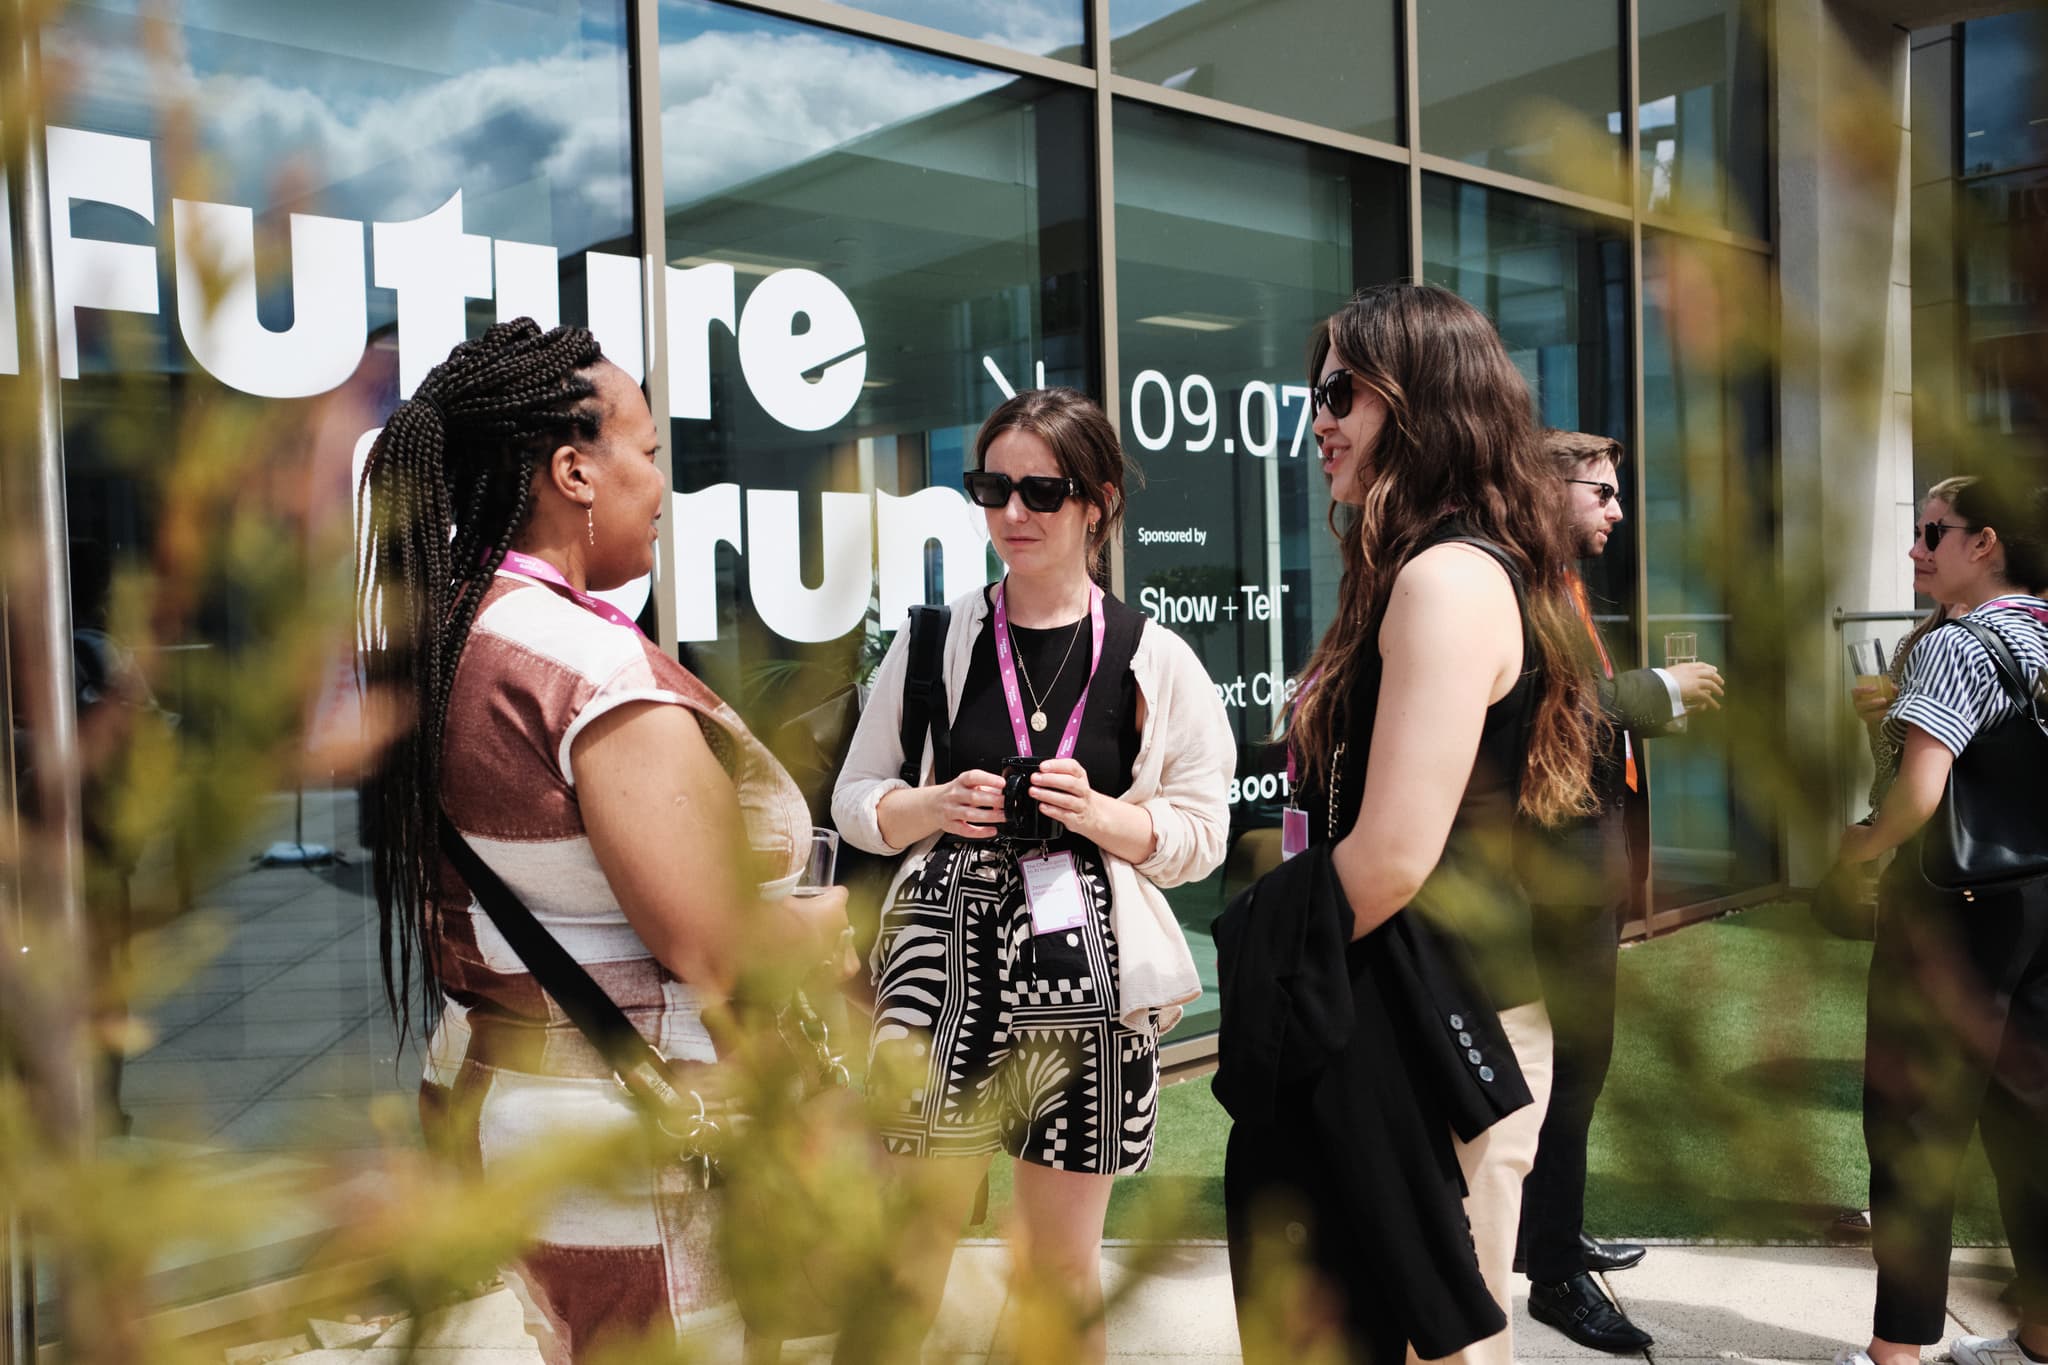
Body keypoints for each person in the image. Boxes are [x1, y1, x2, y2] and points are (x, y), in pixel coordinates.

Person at [356, 319, 851, 1363]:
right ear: (575, 470)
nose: (664, 487)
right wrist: (826, 923)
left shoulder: (449, 637)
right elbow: (714, 951)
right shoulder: (589, 673)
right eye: (653, 453)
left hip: (503, 1102)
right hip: (630, 1142)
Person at [831, 387, 1234, 1363]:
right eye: (990, 488)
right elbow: (854, 799)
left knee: (1057, 1268)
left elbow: (1202, 832)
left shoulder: (1152, 657)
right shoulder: (934, 641)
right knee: (906, 1244)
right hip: (939, 965)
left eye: (1039, 492)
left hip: (1085, 978)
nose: (1011, 513)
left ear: (1095, 501)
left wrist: (1102, 817)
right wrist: (931, 806)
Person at [1243, 283, 1600, 1364]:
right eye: (1316, 392)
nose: (1317, 417)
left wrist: (1266, 966)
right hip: (1422, 1005)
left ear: (1422, 402)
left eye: (1340, 392)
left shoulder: (1444, 579)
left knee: (1426, 1342)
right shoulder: (1430, 567)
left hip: (1439, 1025)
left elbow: (1393, 855)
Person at [1831, 479, 2048, 1365]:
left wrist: (1857, 847)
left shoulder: (1956, 643)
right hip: (2039, 902)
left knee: (1915, 1126)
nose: (1917, 548)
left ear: (1984, 541)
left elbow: (1920, 794)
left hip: (1952, 911)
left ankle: (1898, 1350)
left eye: (1932, 531)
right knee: (2032, 1119)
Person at [1516, 430, 1724, 1352]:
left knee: (1577, 1067)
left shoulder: (1555, 582)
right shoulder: (1515, 584)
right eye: (1601, 492)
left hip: (1584, 870)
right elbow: (1547, 705)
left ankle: (1552, 1234)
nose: (1617, 509)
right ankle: (1553, 1272)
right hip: (1549, 879)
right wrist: (1659, 690)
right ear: (1547, 489)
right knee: (1563, 1067)